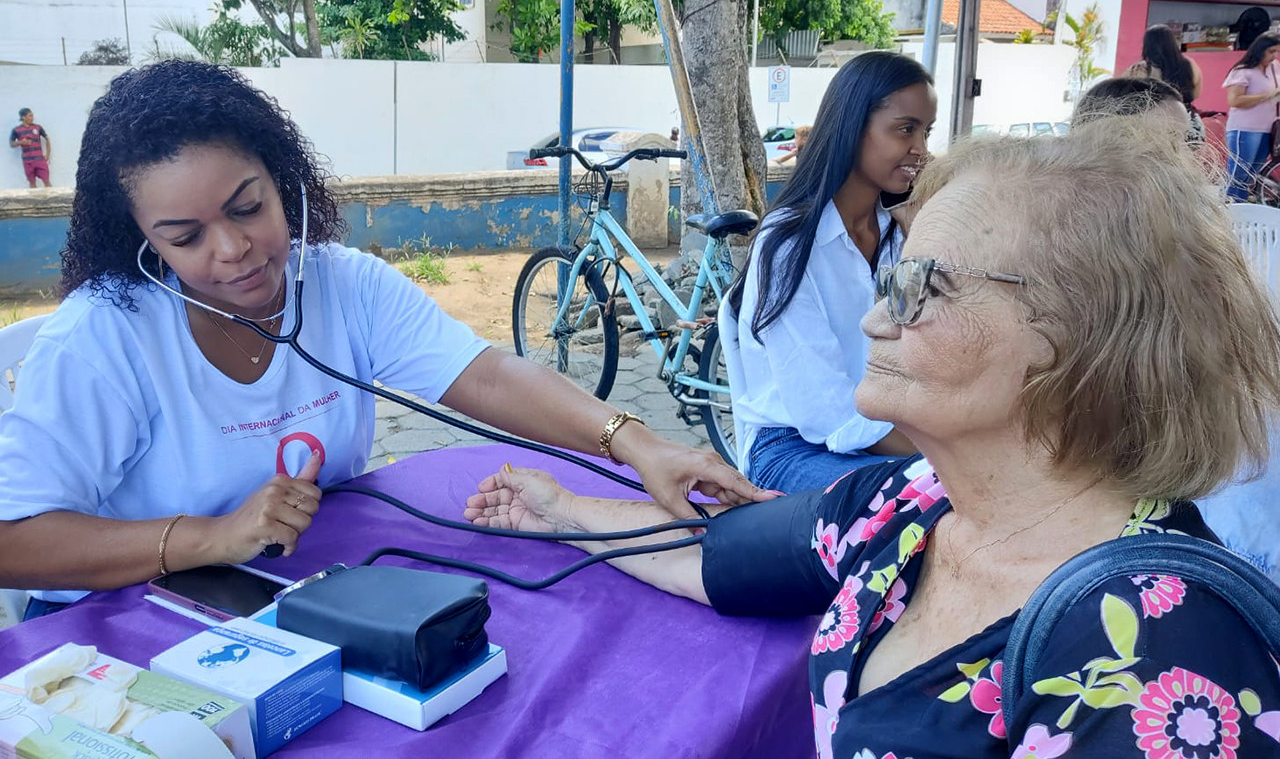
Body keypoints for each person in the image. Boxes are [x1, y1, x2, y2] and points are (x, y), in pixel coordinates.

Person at [468, 115, 1280, 757]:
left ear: (1068, 338)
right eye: (891, 279)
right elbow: (712, 557)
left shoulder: (1165, 654)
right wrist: (563, 509)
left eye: (921, 287)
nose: (873, 317)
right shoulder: (914, 502)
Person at [0, 61, 767, 618]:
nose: (231, 249)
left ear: (283, 176)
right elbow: (14, 542)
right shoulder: (101, 340)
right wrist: (211, 537)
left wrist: (635, 443)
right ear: (139, 240)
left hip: (289, 598)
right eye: (185, 235)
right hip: (113, 624)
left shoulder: (341, 284)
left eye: (247, 206)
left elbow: (488, 375)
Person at [720, 52, 929, 494]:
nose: (921, 150)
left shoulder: (897, 234)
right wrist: (934, 454)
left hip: (881, 433)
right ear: (853, 128)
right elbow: (826, 412)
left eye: (926, 132)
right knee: (924, 502)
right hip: (792, 448)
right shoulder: (790, 244)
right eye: (905, 129)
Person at [1222, 33, 1280, 202]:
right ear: (1260, 50)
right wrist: (1267, 95)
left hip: (1267, 128)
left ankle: (1243, 209)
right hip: (1244, 129)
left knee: (1252, 175)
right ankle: (1233, 211)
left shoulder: (1274, 67)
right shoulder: (1242, 71)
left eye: (1276, 52)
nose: (1274, 56)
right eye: (1271, 52)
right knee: (1239, 174)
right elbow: (1234, 100)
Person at [1125, 24, 1205, 142]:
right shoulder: (1190, 64)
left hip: (1156, 128)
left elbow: (1124, 96)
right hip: (1191, 125)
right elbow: (1196, 93)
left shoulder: (1141, 69)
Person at [9, 108, 51, 188]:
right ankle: (35, 200)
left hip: (39, 159)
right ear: (23, 117)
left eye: (32, 116)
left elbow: (47, 139)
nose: (32, 118)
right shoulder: (16, 130)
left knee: (46, 181)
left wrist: (47, 154)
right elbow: (11, 144)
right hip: (27, 161)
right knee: (32, 183)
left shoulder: (38, 127)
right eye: (30, 116)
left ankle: (54, 200)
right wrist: (21, 142)